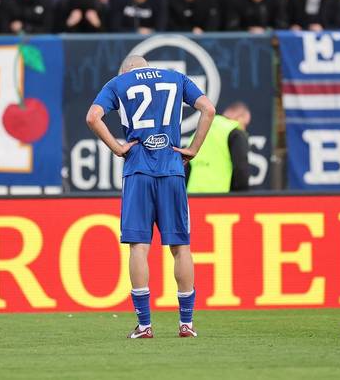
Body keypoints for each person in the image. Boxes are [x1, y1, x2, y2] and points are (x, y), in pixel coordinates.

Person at [86, 54, 216, 339]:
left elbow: (93, 117)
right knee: (181, 247)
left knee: (139, 248)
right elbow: (208, 109)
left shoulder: (119, 83)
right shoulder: (175, 78)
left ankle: (144, 325)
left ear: (126, 69)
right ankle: (187, 324)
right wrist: (193, 149)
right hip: (172, 169)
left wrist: (118, 148)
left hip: (138, 170)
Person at [186, 101, 251, 193]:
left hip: (193, 196)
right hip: (221, 199)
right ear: (240, 118)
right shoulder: (234, 132)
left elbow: (186, 167)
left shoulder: (198, 133)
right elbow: (241, 168)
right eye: (245, 124)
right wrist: (242, 198)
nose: (244, 128)